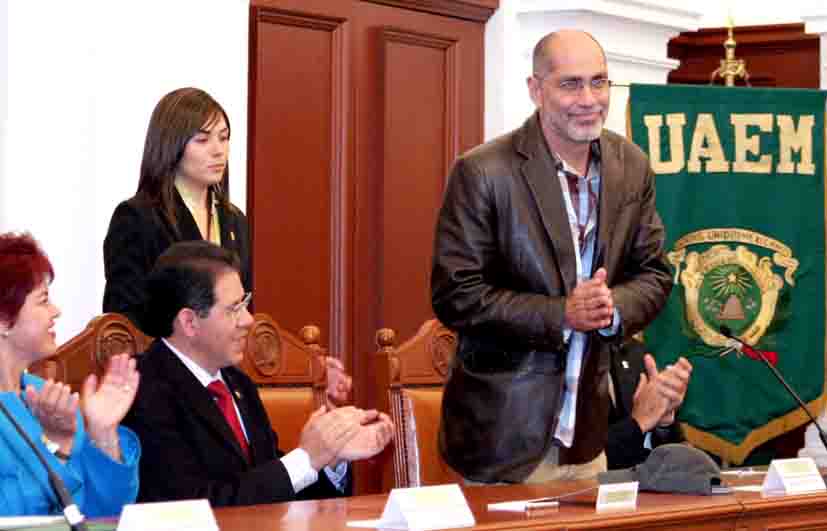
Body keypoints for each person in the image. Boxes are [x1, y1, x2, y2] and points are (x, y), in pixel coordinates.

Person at [431, 29, 673, 484]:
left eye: (599, 82)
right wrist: (562, 313)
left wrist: (611, 308)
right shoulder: (484, 171)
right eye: (570, 84)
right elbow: (454, 295)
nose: (589, 98)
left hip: (587, 439)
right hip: (502, 441)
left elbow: (655, 272)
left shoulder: (631, 165)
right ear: (535, 89)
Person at [122, 241, 394, 506]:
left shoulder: (237, 382)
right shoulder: (142, 390)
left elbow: (274, 489)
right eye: (234, 309)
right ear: (189, 322)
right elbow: (194, 506)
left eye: (245, 303)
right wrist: (306, 459)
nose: (248, 320)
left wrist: (331, 456)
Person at [0, 232, 140, 516]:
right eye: (43, 300)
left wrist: (102, 434)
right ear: (4, 319)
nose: (56, 311)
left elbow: (107, 514)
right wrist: (60, 451)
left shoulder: (53, 399)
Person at [103, 87, 249, 332]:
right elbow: (125, 318)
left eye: (223, 138)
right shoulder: (137, 218)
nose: (218, 150)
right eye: (202, 140)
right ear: (172, 146)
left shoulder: (234, 221)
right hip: (161, 364)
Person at [607, 337, 691, 470]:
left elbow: (669, 450)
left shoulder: (635, 351)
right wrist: (638, 424)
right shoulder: (566, 357)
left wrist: (663, 424)